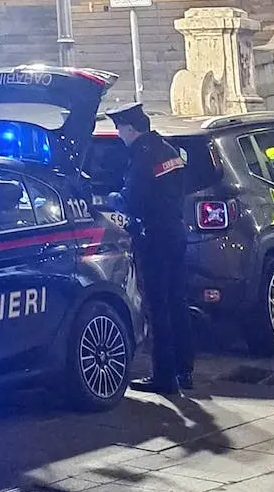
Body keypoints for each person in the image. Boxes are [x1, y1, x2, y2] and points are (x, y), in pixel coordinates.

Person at [108, 102, 195, 396]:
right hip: (176, 232)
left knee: (158, 308)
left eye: (120, 128)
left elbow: (131, 200)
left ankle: (164, 377)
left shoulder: (142, 157)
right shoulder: (169, 151)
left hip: (155, 238)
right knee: (178, 302)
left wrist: (112, 199)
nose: (118, 134)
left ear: (131, 129)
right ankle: (185, 371)